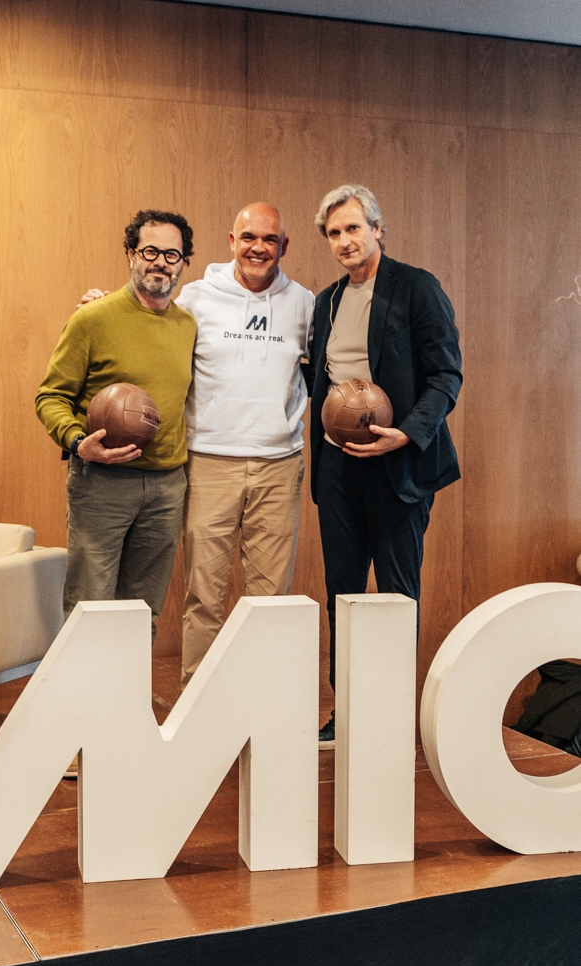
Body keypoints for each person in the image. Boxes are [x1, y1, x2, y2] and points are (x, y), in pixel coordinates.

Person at [81, 204, 314, 686]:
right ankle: (198, 704)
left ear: (284, 246)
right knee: (204, 596)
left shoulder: (304, 304)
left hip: (278, 464)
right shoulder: (196, 298)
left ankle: (261, 703)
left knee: (270, 599)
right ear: (231, 240)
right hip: (209, 463)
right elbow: (149, 315)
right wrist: (103, 305)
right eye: (248, 237)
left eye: (269, 240)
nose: (258, 248)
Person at [309, 184, 462, 747]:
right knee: (342, 590)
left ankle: (393, 716)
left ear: (377, 228)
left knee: (397, 593)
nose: (344, 241)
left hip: (399, 465)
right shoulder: (326, 301)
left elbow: (447, 375)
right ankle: (345, 712)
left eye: (354, 228)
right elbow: (318, 376)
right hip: (338, 467)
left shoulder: (417, 287)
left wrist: (407, 433)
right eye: (334, 233)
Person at [35, 210, 197, 640]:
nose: (160, 262)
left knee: (143, 612)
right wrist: (78, 442)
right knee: (89, 605)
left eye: (171, 254)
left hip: (166, 486)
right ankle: (83, 688)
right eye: (149, 251)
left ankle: (128, 686)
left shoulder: (187, 326)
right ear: (130, 254)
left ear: (183, 262)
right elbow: (50, 396)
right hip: (102, 484)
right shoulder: (93, 318)